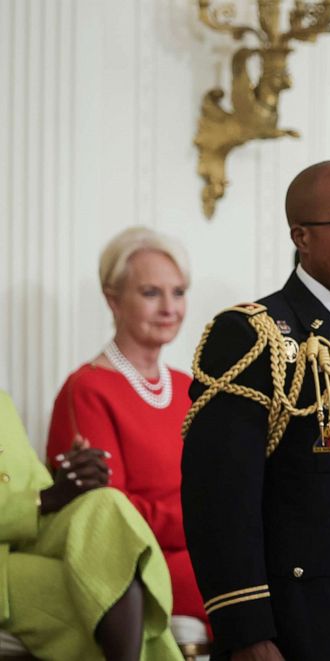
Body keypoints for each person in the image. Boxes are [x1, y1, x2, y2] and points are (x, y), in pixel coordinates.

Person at [181, 160, 330, 661]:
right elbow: (219, 499)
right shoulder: (254, 335)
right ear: (301, 236)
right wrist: (246, 631)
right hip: (299, 625)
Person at [46, 226, 208, 641]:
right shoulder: (87, 388)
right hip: (139, 566)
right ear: (112, 299)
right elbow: (109, 515)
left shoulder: (189, 386)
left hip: (201, 546)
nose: (169, 307)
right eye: (151, 293)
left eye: (179, 292)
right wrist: (202, 524)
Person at [0, 389, 182, 660]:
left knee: (104, 503)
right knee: (96, 593)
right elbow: (37, 498)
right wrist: (44, 499)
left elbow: (25, 484)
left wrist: (68, 479)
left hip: (29, 534)